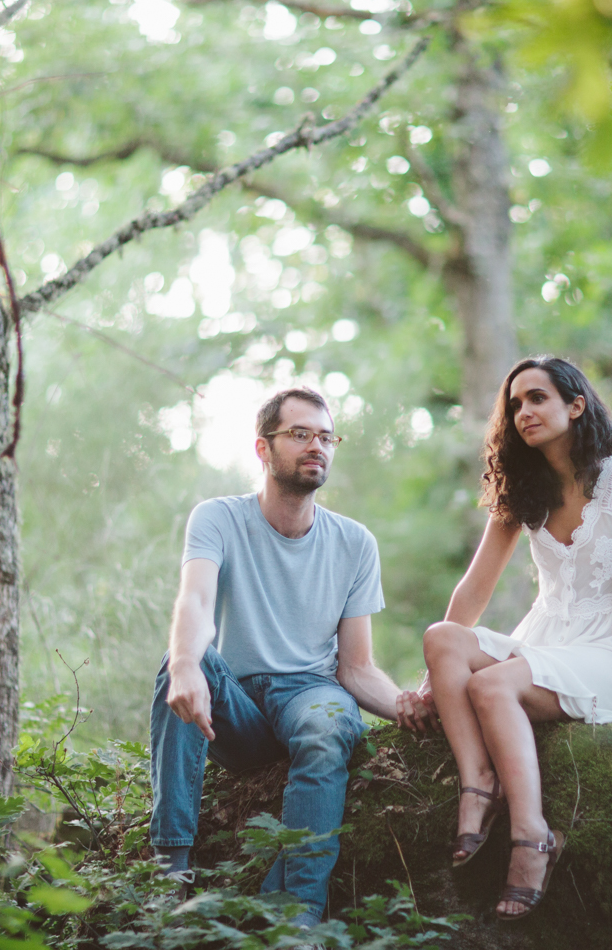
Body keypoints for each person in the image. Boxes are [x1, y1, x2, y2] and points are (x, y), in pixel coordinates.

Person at [395, 356, 612, 921]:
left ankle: (532, 837)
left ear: (575, 404)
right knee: (442, 637)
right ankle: (479, 782)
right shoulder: (524, 489)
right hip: (545, 639)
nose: (524, 412)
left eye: (537, 398)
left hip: (604, 651)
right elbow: (473, 591)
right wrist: (429, 680)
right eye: (515, 404)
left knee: (492, 687)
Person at [149, 387, 420, 929]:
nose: (315, 445)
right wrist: (183, 663)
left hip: (312, 694)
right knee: (183, 660)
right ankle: (169, 875)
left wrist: (410, 707)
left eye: (325, 436)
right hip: (240, 708)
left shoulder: (355, 543)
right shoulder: (218, 518)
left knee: (325, 726)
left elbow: (357, 668)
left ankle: (292, 921)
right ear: (262, 448)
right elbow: (196, 601)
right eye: (300, 434)